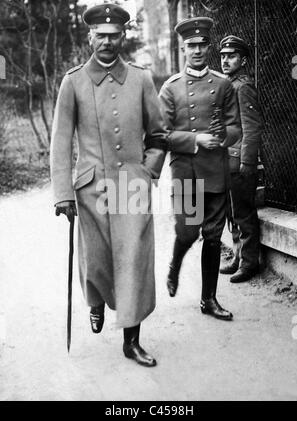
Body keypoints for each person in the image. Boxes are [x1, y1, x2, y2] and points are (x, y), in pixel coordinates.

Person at [50, 3, 167, 367]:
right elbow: (60, 140)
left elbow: (159, 135)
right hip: (90, 189)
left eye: (113, 35)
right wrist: (63, 194)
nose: (107, 42)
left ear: (123, 37)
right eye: (100, 36)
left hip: (131, 188)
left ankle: (132, 340)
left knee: (134, 260)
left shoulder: (141, 79)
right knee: (97, 261)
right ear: (90, 37)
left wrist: (146, 171)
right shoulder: (73, 82)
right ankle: (96, 299)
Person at [159, 17, 241, 321]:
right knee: (189, 231)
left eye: (202, 44)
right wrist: (195, 139)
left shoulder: (223, 84)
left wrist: (222, 137)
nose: (197, 50)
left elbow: (235, 127)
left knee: (213, 236)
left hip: (216, 173)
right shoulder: (171, 88)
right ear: (183, 48)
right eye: (191, 45)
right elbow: (160, 135)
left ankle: (209, 299)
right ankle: (175, 263)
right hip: (187, 175)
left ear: (208, 46)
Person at [219, 35, 264, 283]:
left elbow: (252, 128)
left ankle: (249, 263)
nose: (226, 60)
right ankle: (238, 256)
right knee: (231, 213)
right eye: (223, 56)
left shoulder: (243, 87)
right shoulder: (229, 84)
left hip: (239, 162)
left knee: (244, 213)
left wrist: (247, 163)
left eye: (232, 56)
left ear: (243, 60)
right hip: (226, 160)